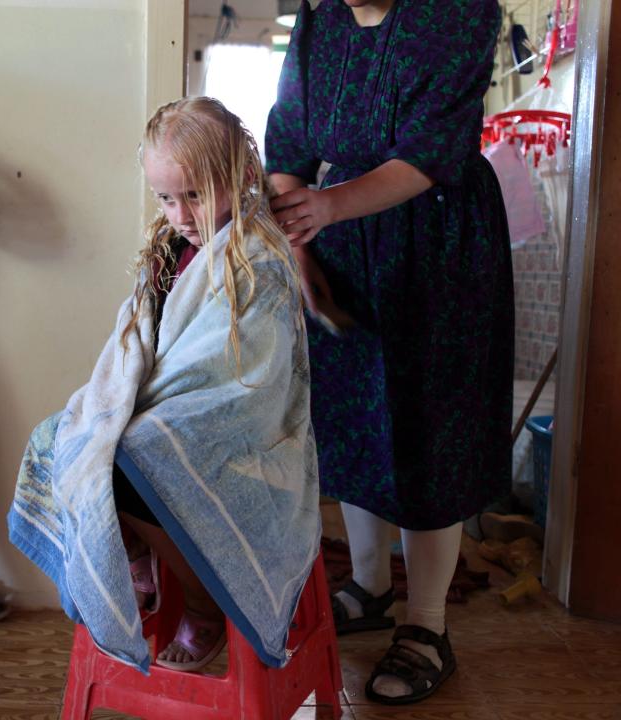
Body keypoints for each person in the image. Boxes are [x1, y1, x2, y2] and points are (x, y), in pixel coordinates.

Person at [8, 97, 321, 674]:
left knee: (140, 451)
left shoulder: (258, 256)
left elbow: (247, 374)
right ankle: (132, 553)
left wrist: (147, 411)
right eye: (165, 197)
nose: (179, 213)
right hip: (163, 408)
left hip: (242, 431)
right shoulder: (168, 247)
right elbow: (136, 341)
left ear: (242, 175)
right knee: (63, 437)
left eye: (195, 195)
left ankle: (203, 606)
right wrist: (117, 398)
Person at [265, 0, 513, 705]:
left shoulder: (461, 14)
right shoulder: (321, 24)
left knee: (429, 425)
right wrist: (300, 243)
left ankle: (427, 625)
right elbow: (287, 145)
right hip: (341, 242)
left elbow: (434, 149)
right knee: (351, 422)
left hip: (436, 240)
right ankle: (368, 587)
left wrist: (327, 208)